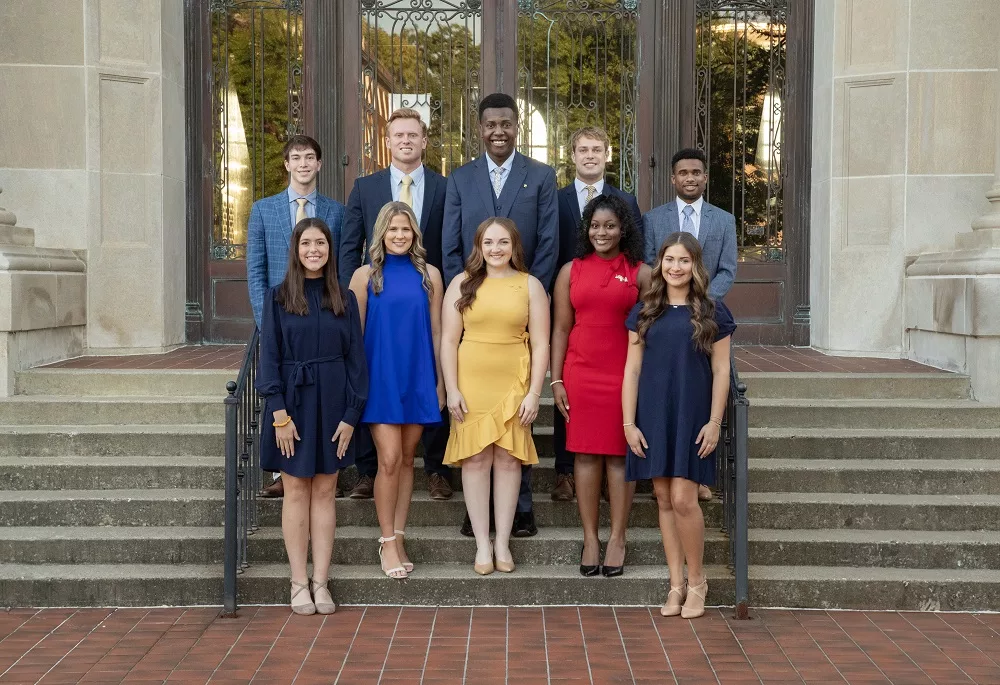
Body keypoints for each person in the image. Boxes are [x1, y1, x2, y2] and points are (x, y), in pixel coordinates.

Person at [442, 92, 558, 537]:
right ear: (480, 127)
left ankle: (520, 508)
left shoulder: (541, 177)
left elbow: (548, 242)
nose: (498, 130)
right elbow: (452, 243)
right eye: (490, 123)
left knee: (517, 416)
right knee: (476, 418)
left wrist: (531, 298)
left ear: (517, 127)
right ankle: (477, 514)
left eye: (506, 123)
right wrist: (470, 291)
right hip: (474, 304)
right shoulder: (460, 178)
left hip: (521, 308)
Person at [255, 218, 368, 615]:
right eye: (306, 243)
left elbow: (357, 362)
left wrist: (352, 414)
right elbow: (268, 359)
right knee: (296, 491)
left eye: (320, 243)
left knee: (325, 491)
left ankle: (321, 581)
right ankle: (297, 581)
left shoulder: (344, 299)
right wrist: (279, 414)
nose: (314, 250)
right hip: (293, 408)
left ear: (329, 249)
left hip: (335, 408)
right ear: (296, 249)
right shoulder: (278, 297)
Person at [339, 108, 453, 502]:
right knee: (378, 372)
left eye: (413, 134)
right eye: (398, 135)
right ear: (387, 142)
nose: (405, 140)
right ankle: (368, 472)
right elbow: (348, 245)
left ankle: (437, 469)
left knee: (423, 375)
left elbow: (449, 244)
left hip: (423, 297)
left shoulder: (443, 187)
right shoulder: (365, 187)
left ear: (424, 141)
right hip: (382, 297)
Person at [622, 231, 735, 619]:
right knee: (663, 498)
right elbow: (632, 370)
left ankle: (698, 580)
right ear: (660, 264)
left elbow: (721, 371)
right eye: (669, 260)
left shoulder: (711, 311)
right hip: (653, 413)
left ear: (695, 265)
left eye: (683, 260)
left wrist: (715, 422)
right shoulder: (645, 311)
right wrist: (628, 423)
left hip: (692, 413)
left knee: (685, 498)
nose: (675, 267)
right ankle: (676, 584)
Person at [440, 218, 549, 575]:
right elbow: (448, 341)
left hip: (513, 380)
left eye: (503, 242)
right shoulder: (462, 283)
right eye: (488, 242)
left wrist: (535, 392)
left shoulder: (530, 285)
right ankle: (481, 545)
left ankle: (502, 541)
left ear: (514, 245)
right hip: (471, 380)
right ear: (479, 246)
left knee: (508, 459)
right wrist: (452, 388)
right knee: (474, 460)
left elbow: (542, 342)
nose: (496, 248)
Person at [551, 194, 651, 578]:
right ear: (586, 229)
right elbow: (561, 328)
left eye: (609, 226)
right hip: (581, 372)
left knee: (619, 455)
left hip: (623, 374)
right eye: (595, 226)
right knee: (586, 455)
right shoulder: (570, 271)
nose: (602, 232)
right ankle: (590, 537)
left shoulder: (642, 272)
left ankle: (618, 537)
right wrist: (556, 378)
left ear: (622, 228)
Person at [348, 202, 445, 580]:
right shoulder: (364, 276)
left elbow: (437, 333)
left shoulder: (429, 275)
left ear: (415, 234)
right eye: (393, 230)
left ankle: (399, 536)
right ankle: (386, 541)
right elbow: (354, 337)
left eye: (406, 229)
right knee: (387, 460)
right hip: (381, 379)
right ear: (381, 234)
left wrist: (440, 381)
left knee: (407, 461)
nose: (400, 236)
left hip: (418, 376)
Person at [247, 134, 346, 499]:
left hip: (323, 317)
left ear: (319, 164)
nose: (303, 164)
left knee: (320, 393)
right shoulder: (263, 209)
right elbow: (256, 272)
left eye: (310, 158)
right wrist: (268, 323)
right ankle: (282, 467)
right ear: (286, 165)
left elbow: (342, 267)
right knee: (281, 391)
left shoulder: (336, 212)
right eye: (296, 158)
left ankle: (322, 464)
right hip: (282, 321)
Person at [550, 126, 644, 503]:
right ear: (572, 155)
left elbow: (638, 258)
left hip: (616, 318)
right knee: (569, 401)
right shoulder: (555, 199)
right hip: (572, 300)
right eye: (582, 149)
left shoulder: (626, 200)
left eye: (596, 149)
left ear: (607, 154)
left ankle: (612, 481)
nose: (589, 155)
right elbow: (551, 246)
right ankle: (562, 470)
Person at [642, 147, 737, 503]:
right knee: (668, 392)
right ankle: (663, 470)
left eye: (697, 172)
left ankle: (699, 473)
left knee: (707, 387)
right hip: (665, 315)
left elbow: (728, 268)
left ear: (705, 177)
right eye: (683, 173)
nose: (690, 178)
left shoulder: (723, 219)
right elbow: (649, 265)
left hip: (706, 318)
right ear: (673, 178)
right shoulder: (653, 219)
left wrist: (701, 300)